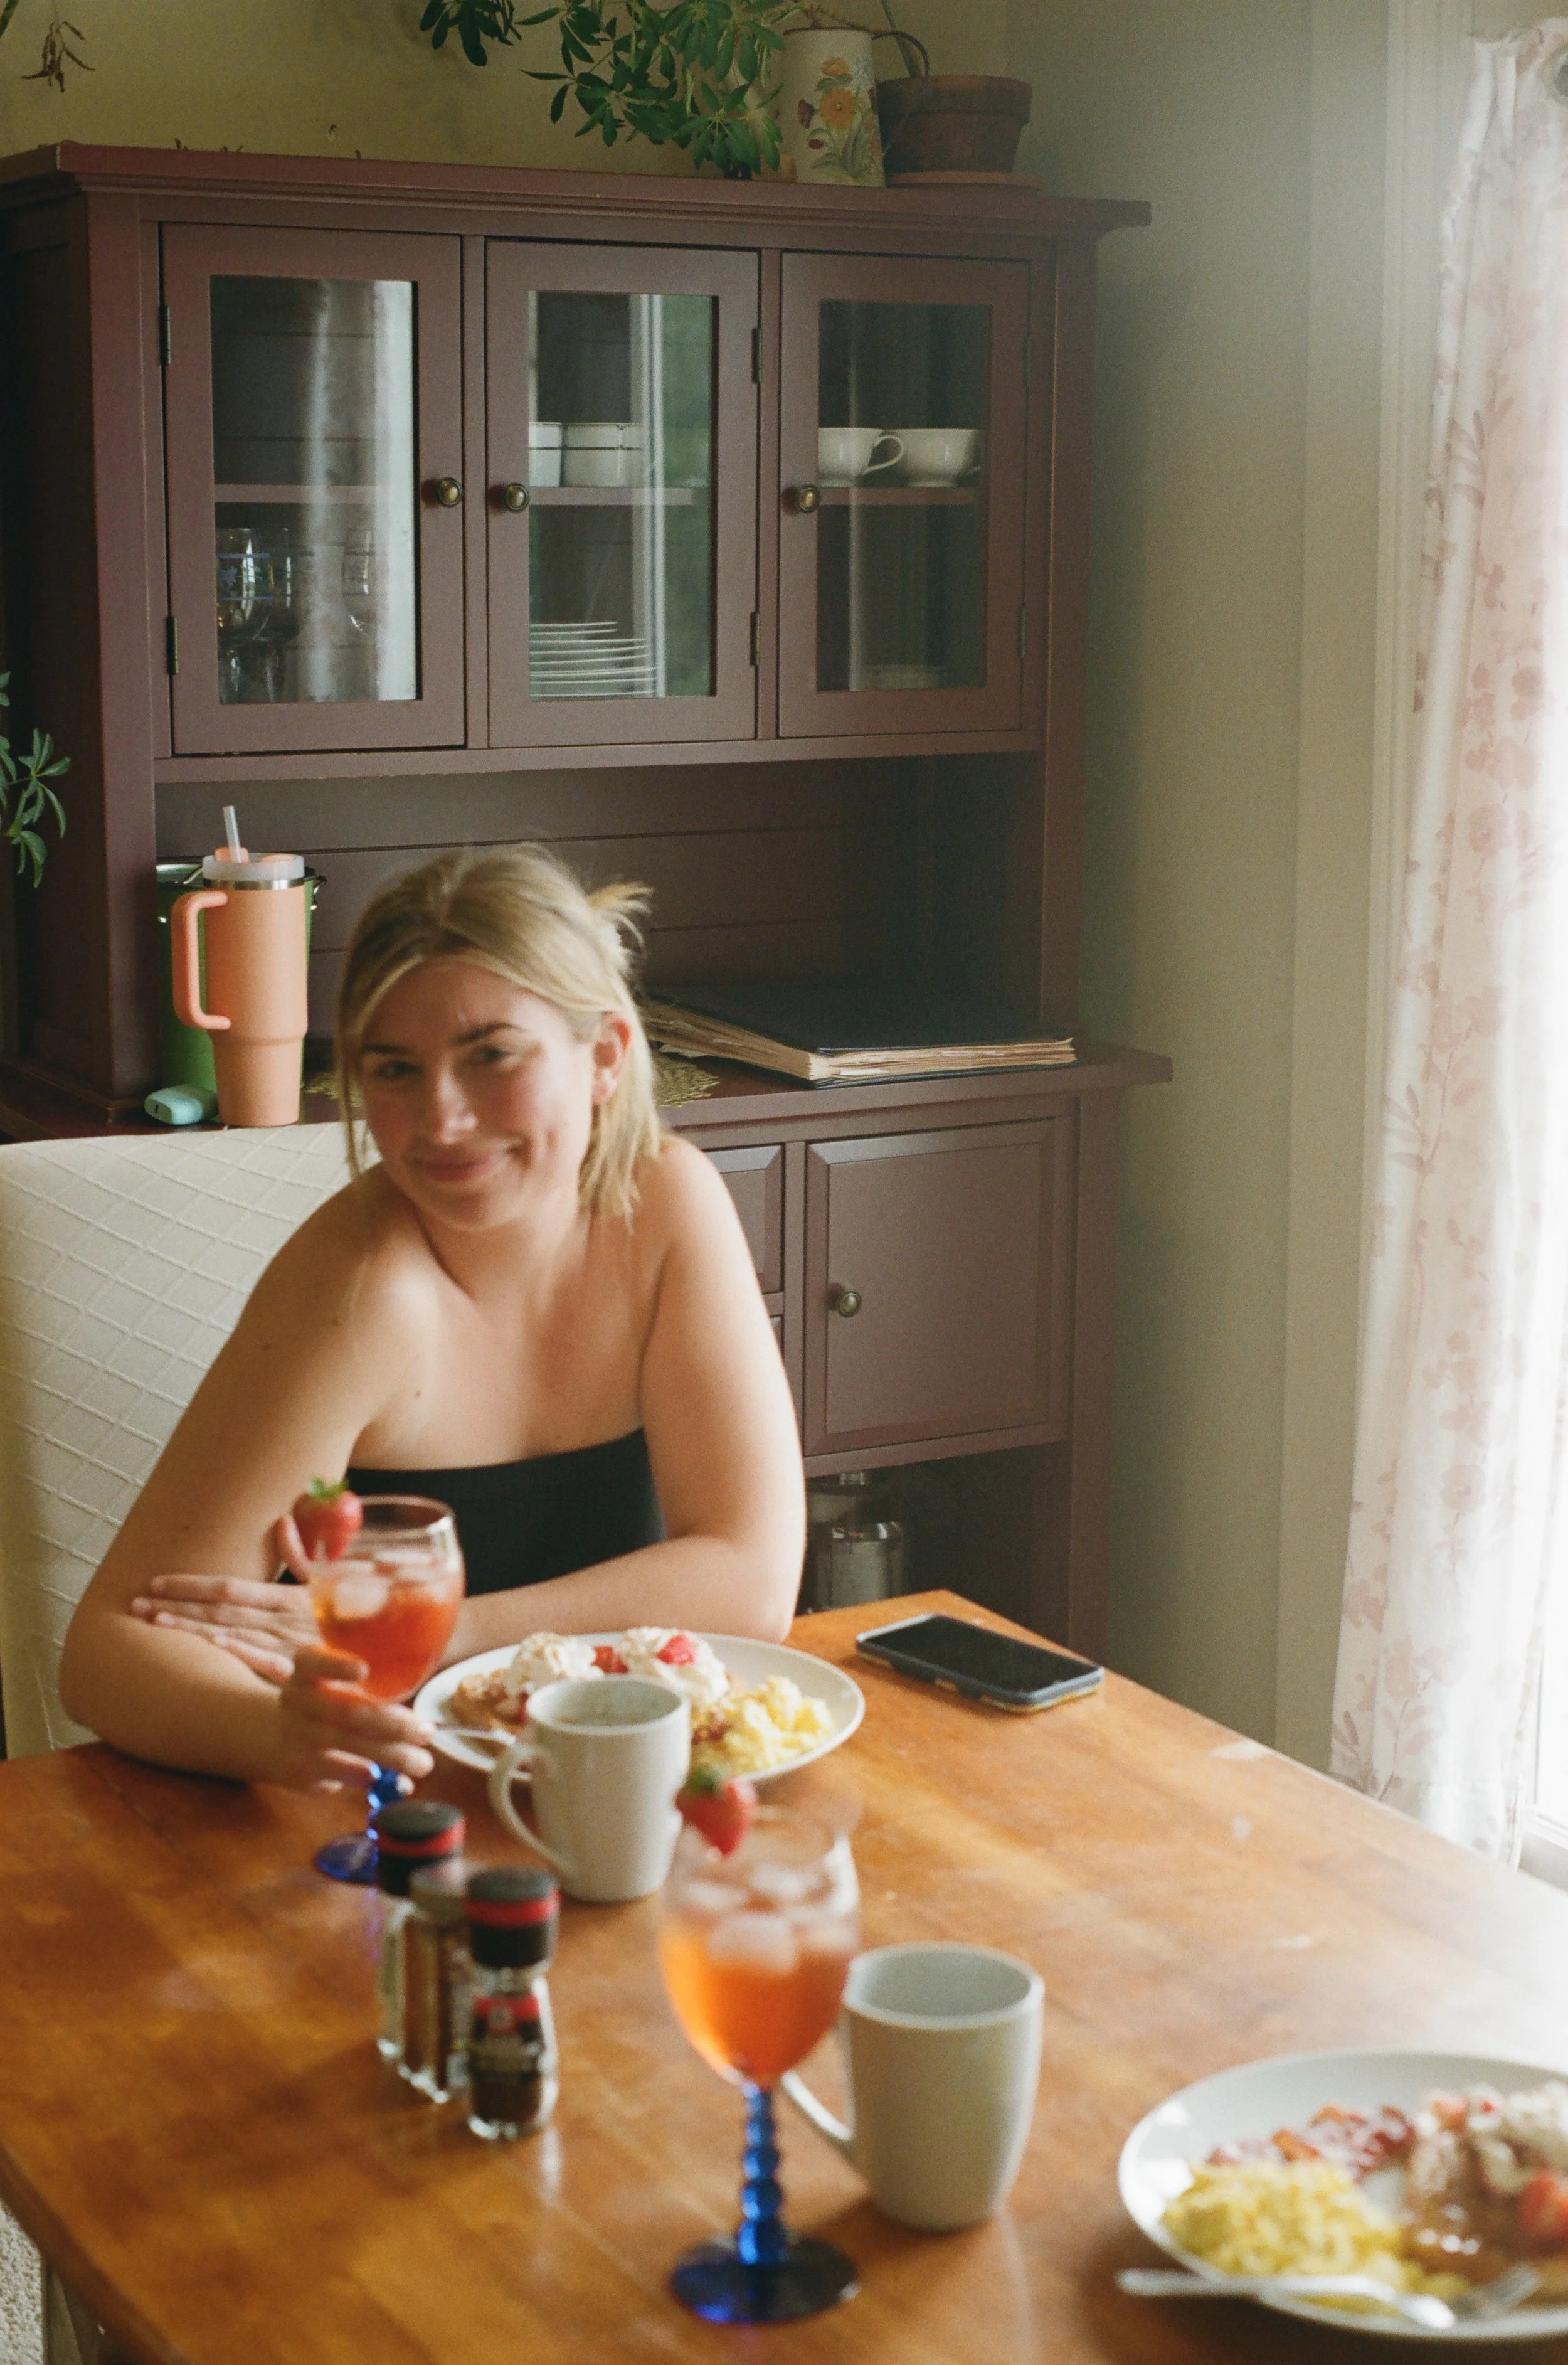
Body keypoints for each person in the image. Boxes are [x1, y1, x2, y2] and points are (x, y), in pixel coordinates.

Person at [60, 846, 804, 1795]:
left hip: (619, 1784)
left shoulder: (666, 1205)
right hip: (385, 1814)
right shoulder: (360, 1286)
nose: (441, 1120)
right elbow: (105, 1651)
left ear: (605, 1056)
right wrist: (271, 1731)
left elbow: (752, 1581)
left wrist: (439, 1631)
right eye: (395, 1068)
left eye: (491, 1054)